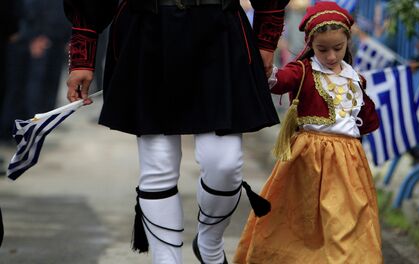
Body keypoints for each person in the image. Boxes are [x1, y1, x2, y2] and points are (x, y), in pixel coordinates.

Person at [63, 0, 289, 263]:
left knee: (225, 165)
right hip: (147, 31)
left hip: (220, 31)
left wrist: (266, 39)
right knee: (159, 166)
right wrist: (82, 57)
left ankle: (209, 243)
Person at [234, 2, 382, 263]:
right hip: (308, 162)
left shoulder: (355, 79)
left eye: (338, 48)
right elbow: (279, 82)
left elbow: (366, 120)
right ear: (311, 44)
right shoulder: (304, 70)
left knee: (346, 220)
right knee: (297, 221)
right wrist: (267, 70)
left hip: (349, 163)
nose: (331, 56)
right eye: (322, 49)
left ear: (348, 40)